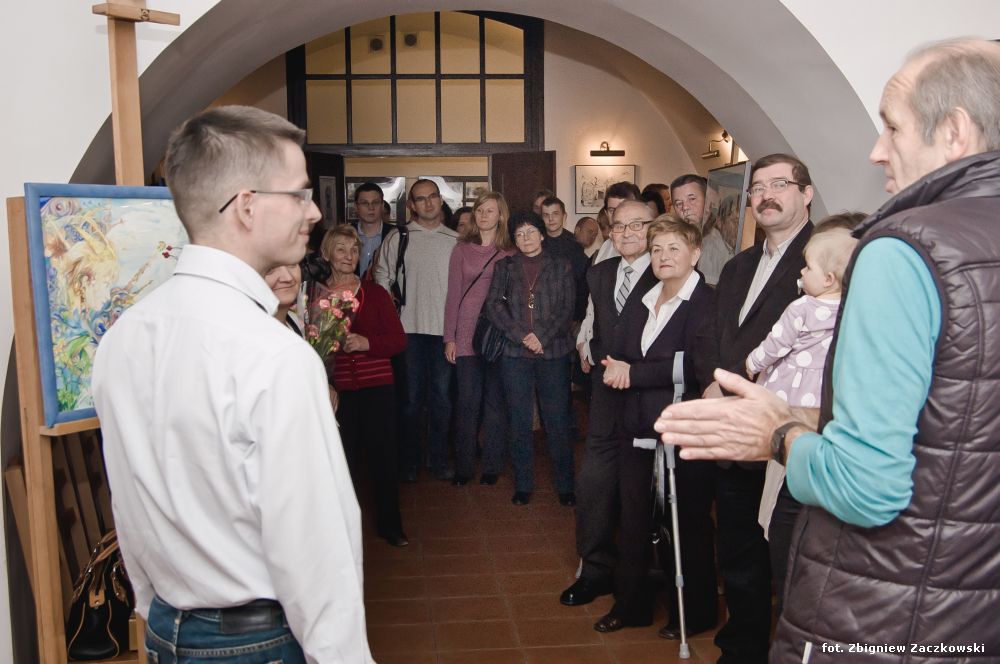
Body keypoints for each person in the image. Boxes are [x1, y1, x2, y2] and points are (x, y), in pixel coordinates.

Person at [657, 38, 1000, 661]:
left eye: (892, 127)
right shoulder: (739, 266)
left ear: (953, 131)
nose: (875, 150)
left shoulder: (899, 250)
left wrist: (780, 432)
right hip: (972, 587)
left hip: (891, 590)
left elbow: (865, 484)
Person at [92, 105, 372, 662]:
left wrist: (155, 609)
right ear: (246, 206)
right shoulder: (275, 355)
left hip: (166, 631)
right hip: (258, 640)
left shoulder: (124, 337)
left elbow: (128, 505)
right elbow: (315, 548)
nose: (314, 211)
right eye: (299, 194)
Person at [696, 152, 814, 664]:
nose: (766, 195)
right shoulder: (739, 264)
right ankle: (742, 646)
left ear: (806, 194)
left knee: (789, 555)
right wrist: (713, 384)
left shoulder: (824, 262)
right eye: (758, 187)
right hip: (733, 428)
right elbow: (715, 335)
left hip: (789, 429)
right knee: (739, 544)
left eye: (779, 185)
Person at [593, 217, 718, 638]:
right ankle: (631, 605)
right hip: (635, 423)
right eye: (658, 249)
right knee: (632, 518)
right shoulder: (645, 297)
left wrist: (635, 373)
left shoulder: (707, 301)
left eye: (674, 248)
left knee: (686, 521)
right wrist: (622, 367)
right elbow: (621, 351)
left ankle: (694, 613)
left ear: (694, 253)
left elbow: (697, 366)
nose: (664, 257)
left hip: (683, 428)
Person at [745, 227, 857, 615]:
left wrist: (751, 362)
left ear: (828, 278)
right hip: (824, 405)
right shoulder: (853, 312)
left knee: (781, 488)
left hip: (790, 403)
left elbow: (775, 344)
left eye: (807, 268)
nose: (801, 274)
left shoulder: (801, 308)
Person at [561, 200, 658, 607]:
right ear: (609, 232)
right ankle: (595, 570)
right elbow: (596, 320)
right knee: (593, 482)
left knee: (641, 491)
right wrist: (586, 344)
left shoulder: (667, 270)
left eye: (638, 225)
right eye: (619, 226)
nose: (628, 233)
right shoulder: (599, 272)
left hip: (648, 395)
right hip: (604, 395)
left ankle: (642, 577)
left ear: (654, 228)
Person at [319, 225, 409, 548]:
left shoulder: (375, 294)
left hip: (377, 387)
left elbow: (398, 340)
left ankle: (391, 526)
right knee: (344, 461)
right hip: (339, 391)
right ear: (326, 254)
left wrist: (367, 343)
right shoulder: (317, 297)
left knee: (384, 458)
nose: (348, 256)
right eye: (341, 249)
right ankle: (341, 530)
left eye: (354, 250)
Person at [485, 211, 576, 506]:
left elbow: (567, 308)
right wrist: (521, 335)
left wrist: (541, 337)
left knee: (557, 420)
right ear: (514, 238)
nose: (525, 238)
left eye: (531, 232)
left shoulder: (561, 265)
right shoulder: (504, 266)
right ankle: (523, 484)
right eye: (519, 233)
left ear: (542, 234)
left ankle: (566, 484)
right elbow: (494, 306)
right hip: (515, 354)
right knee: (519, 419)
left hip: (553, 353)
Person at [375, 178, 459, 482]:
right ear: (411, 205)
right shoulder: (399, 237)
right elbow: (382, 277)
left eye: (432, 196)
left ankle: (437, 460)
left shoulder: (456, 240)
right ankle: (410, 462)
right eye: (421, 198)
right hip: (407, 331)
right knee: (410, 401)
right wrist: (391, 313)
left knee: (442, 399)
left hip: (444, 333)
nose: (428, 202)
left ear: (440, 199)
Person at [443, 192, 515, 486]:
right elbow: (453, 296)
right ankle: (464, 467)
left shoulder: (510, 253)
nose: (484, 215)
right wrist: (450, 337)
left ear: (501, 216)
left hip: (497, 336)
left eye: (490, 210)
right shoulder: (461, 249)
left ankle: (491, 466)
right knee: (467, 403)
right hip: (466, 334)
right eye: (480, 210)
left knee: (495, 404)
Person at [540, 196, 590, 323]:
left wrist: (578, 318)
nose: (550, 219)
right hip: (541, 312)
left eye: (555, 214)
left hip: (570, 315)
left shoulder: (575, 245)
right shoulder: (535, 243)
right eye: (546, 215)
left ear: (564, 216)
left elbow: (582, 285)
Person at [351, 181, 393, 277]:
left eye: (375, 202)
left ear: (382, 205)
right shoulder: (345, 233)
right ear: (356, 207)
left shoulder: (394, 234)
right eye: (364, 203)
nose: (371, 207)